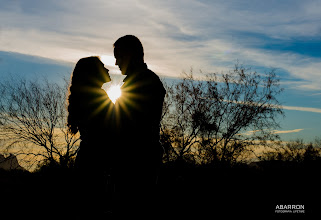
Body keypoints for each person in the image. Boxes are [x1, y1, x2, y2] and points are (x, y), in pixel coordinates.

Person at [112, 35, 166, 217]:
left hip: (136, 163)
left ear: (131, 54)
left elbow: (130, 125)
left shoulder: (144, 82)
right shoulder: (140, 81)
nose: (116, 62)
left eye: (118, 56)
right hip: (137, 160)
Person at [67, 56, 113, 218]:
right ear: (93, 73)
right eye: (102, 67)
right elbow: (109, 129)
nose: (108, 69)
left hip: (89, 159)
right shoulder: (95, 97)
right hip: (95, 162)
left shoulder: (89, 96)